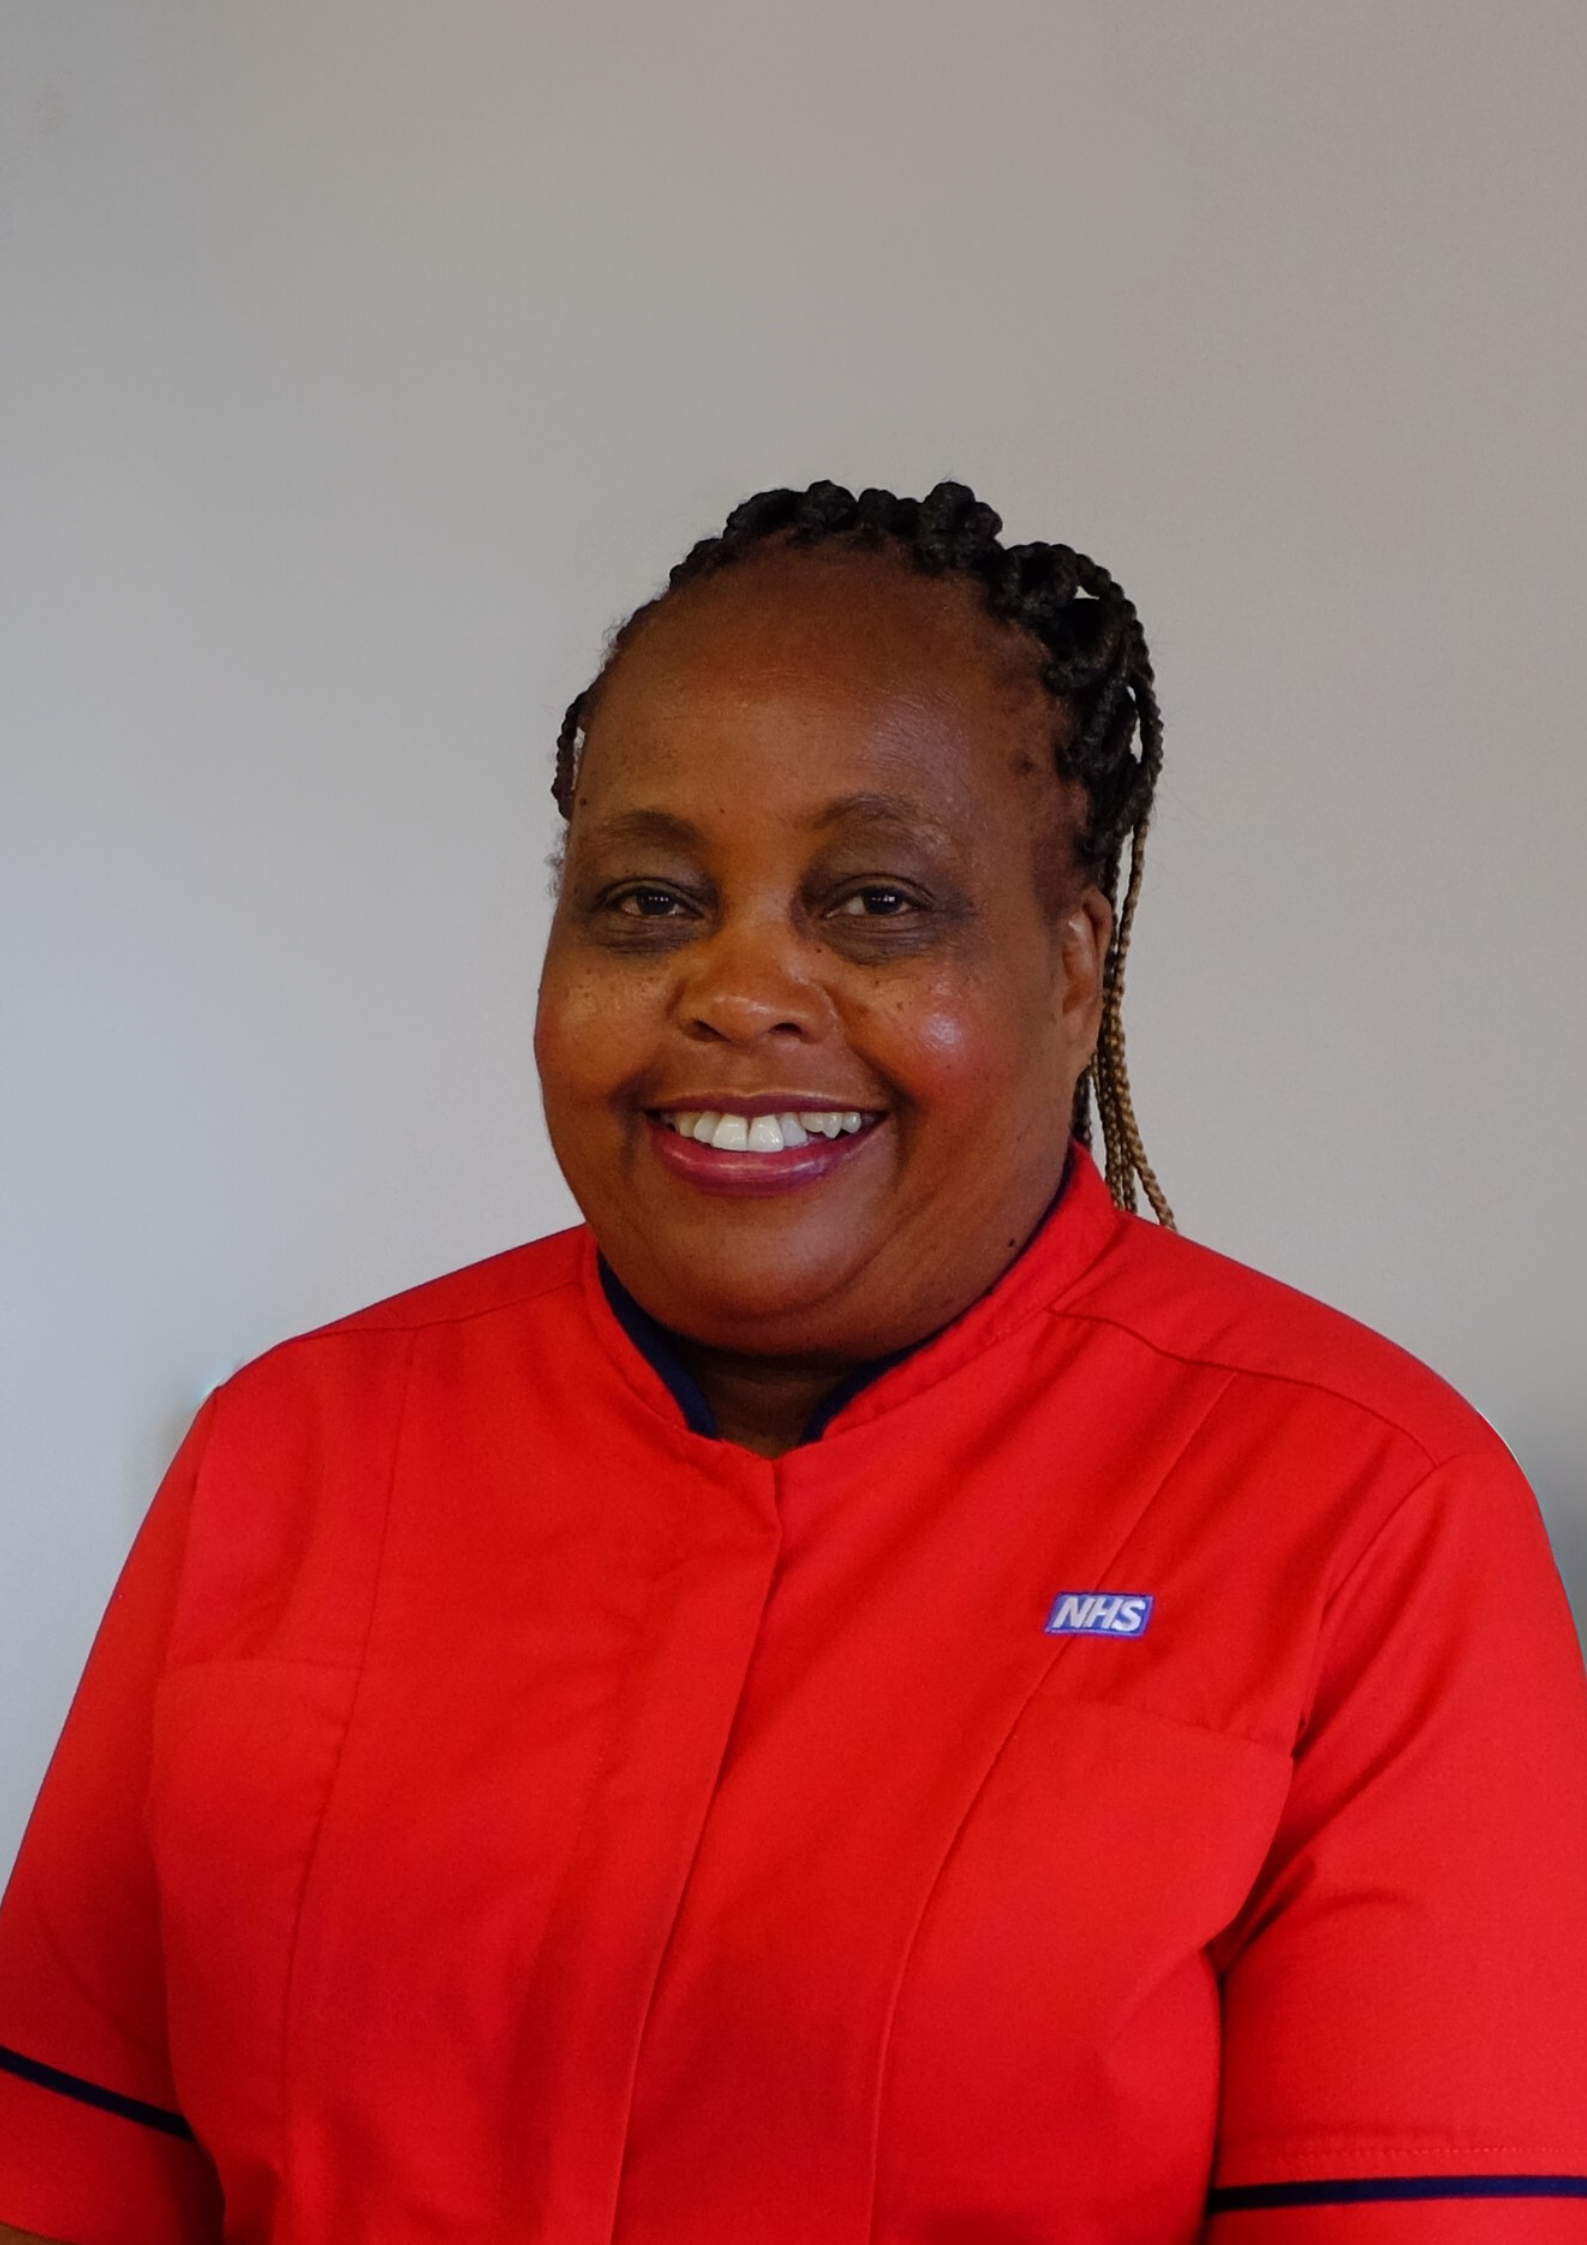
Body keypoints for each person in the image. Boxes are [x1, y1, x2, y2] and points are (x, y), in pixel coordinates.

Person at [2, 480, 1585, 2245]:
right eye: (650, 902)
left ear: (1073, 971)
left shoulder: (1368, 1518)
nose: (741, 989)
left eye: (877, 903)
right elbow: (63, 2168)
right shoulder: (292, 1448)